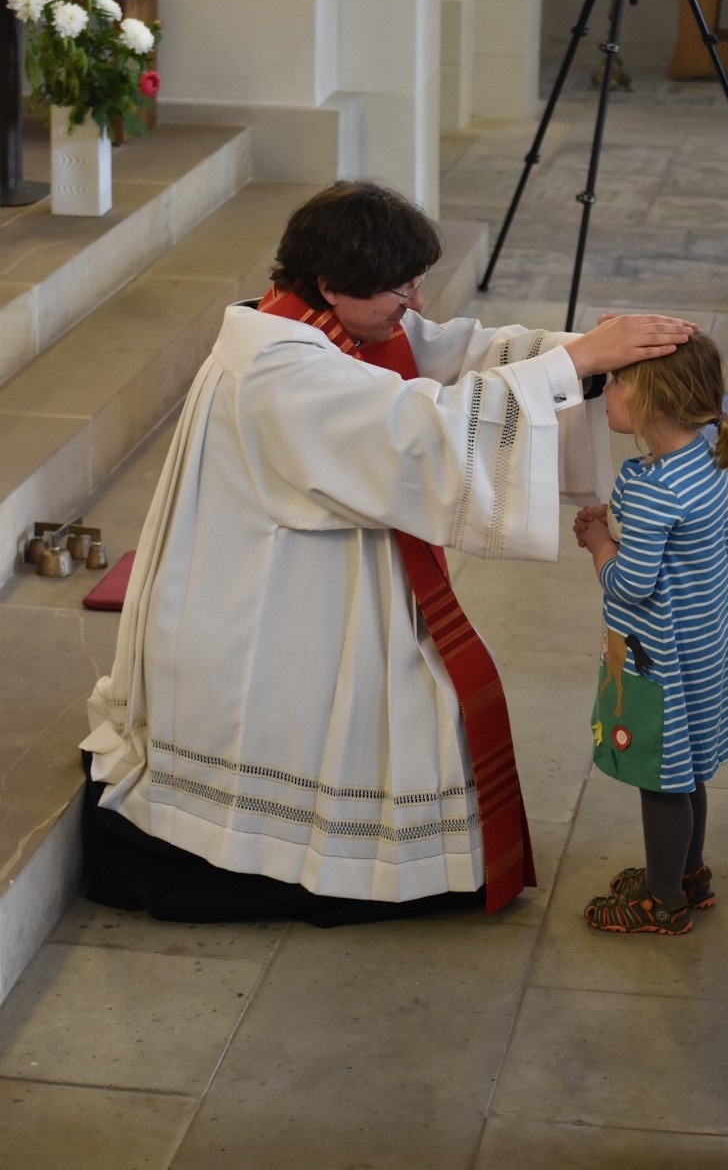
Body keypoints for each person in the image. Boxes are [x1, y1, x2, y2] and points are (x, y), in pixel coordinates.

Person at [80, 179, 696, 927]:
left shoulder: (327, 319)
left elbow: (455, 355)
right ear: (331, 285)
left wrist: (584, 356)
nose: (416, 304)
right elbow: (416, 428)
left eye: (416, 283)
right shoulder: (278, 366)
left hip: (308, 562)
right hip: (268, 601)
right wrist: (572, 368)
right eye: (400, 291)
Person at [573, 328, 728, 936]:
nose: (607, 389)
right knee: (688, 768)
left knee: (661, 778)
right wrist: (618, 530)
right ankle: (687, 873)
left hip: (662, 658)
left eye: (618, 380)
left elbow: (630, 585)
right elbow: (675, 558)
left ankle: (662, 900)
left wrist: (599, 543)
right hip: (703, 648)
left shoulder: (651, 486)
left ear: (653, 400)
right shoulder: (701, 462)